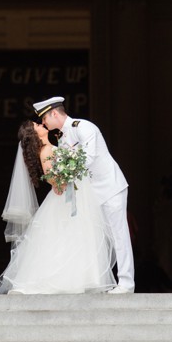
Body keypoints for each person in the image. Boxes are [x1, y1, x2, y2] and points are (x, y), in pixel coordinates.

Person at [0, 120, 116, 294]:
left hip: (76, 195)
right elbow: (52, 179)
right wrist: (67, 174)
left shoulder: (53, 146)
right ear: (34, 134)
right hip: (64, 200)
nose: (40, 124)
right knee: (65, 236)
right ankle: (64, 280)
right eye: (36, 125)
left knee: (77, 235)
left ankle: (79, 278)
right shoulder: (45, 151)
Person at [34, 96, 135, 294]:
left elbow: (89, 157)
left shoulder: (83, 127)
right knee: (96, 236)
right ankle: (100, 281)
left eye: (45, 118)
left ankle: (126, 283)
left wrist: (66, 174)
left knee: (118, 235)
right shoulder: (62, 138)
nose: (44, 123)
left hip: (109, 187)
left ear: (54, 113)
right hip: (90, 194)